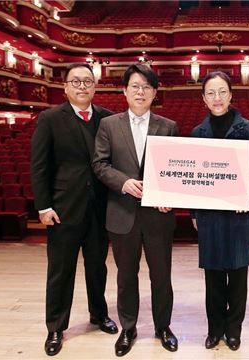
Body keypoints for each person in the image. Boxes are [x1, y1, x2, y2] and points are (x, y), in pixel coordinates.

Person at [30, 63, 117, 357]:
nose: (82, 86)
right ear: (65, 86)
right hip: (64, 209)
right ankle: (55, 326)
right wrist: (43, 206)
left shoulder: (107, 118)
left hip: (100, 209)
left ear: (95, 87)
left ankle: (98, 314)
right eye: (76, 81)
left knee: (97, 267)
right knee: (60, 270)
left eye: (88, 82)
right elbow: (39, 166)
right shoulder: (50, 118)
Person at [92, 63, 179, 357]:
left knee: (161, 275)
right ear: (125, 91)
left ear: (154, 92)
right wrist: (124, 182)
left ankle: (163, 327)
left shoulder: (168, 126)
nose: (140, 92)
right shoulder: (108, 125)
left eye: (146, 87)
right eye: (135, 86)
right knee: (126, 275)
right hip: (122, 213)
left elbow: (175, 171)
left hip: (158, 216)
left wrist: (171, 196)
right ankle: (128, 328)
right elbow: (100, 164)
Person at [190, 71, 249, 351]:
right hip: (210, 216)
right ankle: (215, 328)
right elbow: (194, 177)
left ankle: (234, 330)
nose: (217, 98)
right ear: (204, 99)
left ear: (231, 95)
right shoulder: (198, 132)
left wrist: (238, 192)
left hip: (238, 215)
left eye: (222, 92)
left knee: (237, 274)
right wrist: (196, 214)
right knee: (212, 276)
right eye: (211, 93)